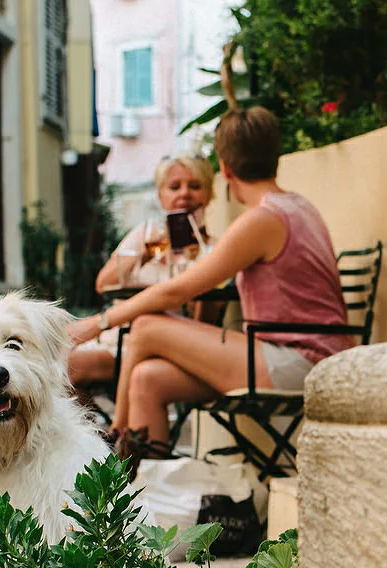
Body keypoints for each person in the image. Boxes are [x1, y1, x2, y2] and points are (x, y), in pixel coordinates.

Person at [66, 108, 353, 452]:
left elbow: (178, 290)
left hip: (301, 361)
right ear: (275, 158)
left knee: (145, 327)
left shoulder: (263, 220)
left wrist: (96, 324)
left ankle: (116, 436)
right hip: (297, 356)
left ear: (224, 169)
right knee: (147, 379)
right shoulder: (299, 207)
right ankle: (149, 492)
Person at [69, 155, 216, 389]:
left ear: (209, 194)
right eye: (174, 187)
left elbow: (204, 321)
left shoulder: (213, 251)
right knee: (54, 366)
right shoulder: (145, 236)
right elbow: (103, 284)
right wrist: (146, 254)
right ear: (161, 196)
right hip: (115, 338)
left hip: (162, 346)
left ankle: (104, 427)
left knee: (68, 368)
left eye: (195, 186)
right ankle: (94, 427)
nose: (184, 194)